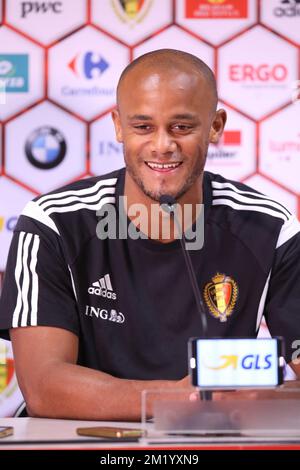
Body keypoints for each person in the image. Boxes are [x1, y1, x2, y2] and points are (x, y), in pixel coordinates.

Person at [0, 49, 300, 421]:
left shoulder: (270, 227)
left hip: (212, 437)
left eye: (182, 127)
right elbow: (44, 386)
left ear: (216, 126)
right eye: (143, 126)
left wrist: (258, 401)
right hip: (75, 440)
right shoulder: (53, 222)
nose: (162, 145)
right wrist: (175, 399)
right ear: (118, 125)